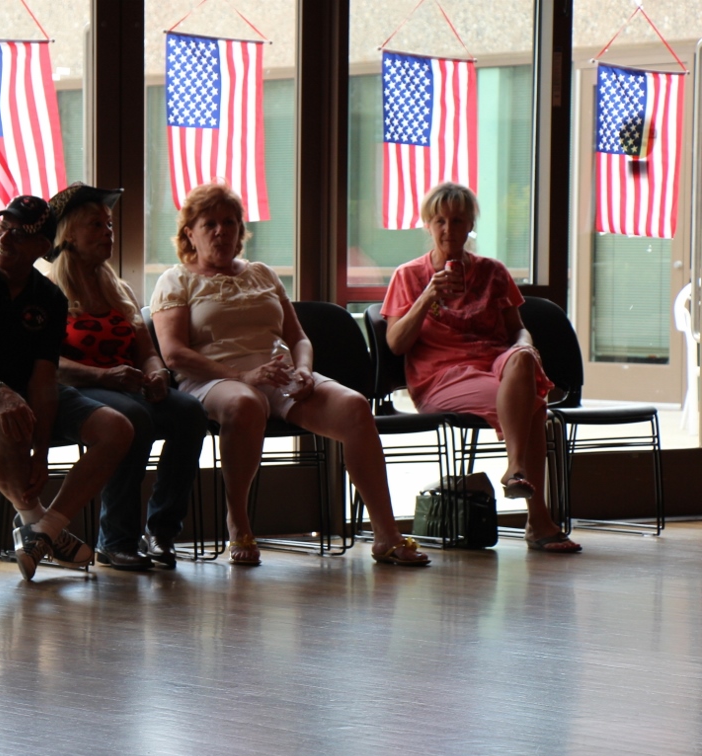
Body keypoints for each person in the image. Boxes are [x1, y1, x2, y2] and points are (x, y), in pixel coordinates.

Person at [150, 182, 429, 568]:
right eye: (209, 223)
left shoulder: (261, 273)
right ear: (189, 233)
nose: (221, 231)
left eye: (229, 222)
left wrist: (303, 370)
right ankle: (239, 522)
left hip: (277, 374)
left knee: (353, 407)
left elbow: (298, 337)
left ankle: (386, 534)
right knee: (245, 403)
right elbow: (174, 353)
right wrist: (241, 375)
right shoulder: (176, 280)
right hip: (214, 379)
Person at [0, 195, 134, 580]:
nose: (4, 236)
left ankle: (44, 531)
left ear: (42, 246)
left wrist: (41, 453)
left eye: (18, 232)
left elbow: (44, 379)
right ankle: (38, 523)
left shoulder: (50, 297)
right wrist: (2, 393)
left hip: (26, 393)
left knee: (117, 428)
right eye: (2, 224)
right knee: (8, 423)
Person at [381, 182, 580, 553]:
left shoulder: (493, 271)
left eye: (457, 221)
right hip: (441, 376)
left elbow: (517, 329)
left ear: (470, 224)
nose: (447, 230)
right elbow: (395, 343)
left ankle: (519, 474)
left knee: (523, 360)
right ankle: (536, 517)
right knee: (534, 402)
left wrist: (525, 346)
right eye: (439, 220)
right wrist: (428, 296)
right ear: (427, 224)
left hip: (496, 365)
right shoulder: (409, 276)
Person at [47, 182, 207, 569]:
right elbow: (48, 364)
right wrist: (104, 377)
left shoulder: (117, 289)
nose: (107, 232)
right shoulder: (49, 291)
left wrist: (156, 375)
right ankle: (115, 539)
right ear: (68, 234)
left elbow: (147, 352)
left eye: (109, 225)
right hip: (77, 391)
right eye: (95, 225)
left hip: (126, 384)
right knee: (132, 419)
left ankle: (161, 531)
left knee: (190, 412)